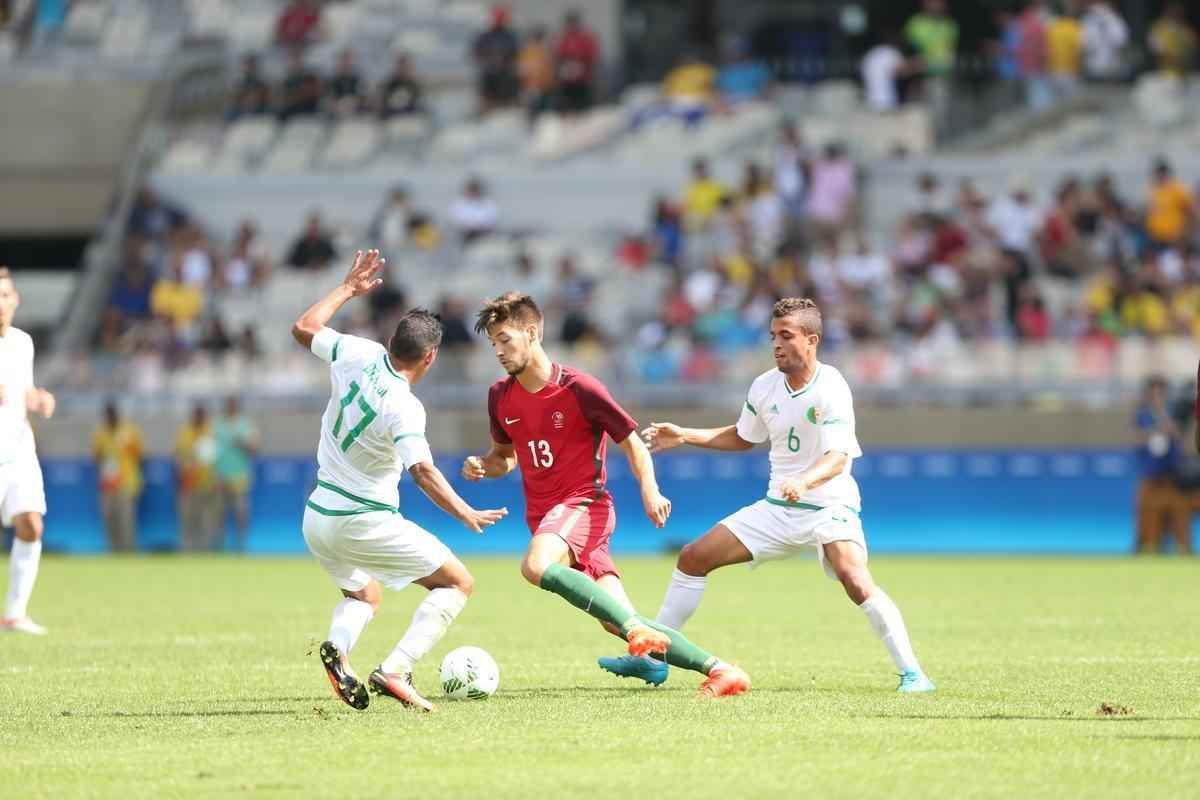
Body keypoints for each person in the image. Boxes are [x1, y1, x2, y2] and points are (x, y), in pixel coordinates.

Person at [598, 298, 934, 692]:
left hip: (829, 506)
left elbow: (838, 457)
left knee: (854, 577)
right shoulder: (764, 386)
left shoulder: (831, 386)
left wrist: (806, 482)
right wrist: (686, 434)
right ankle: (655, 661)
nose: (776, 344)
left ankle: (913, 673)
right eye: (773, 335)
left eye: (786, 336)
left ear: (812, 340)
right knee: (692, 558)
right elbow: (744, 436)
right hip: (778, 508)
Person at [461, 292, 750, 697]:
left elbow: (631, 442)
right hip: (549, 518)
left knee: (535, 566)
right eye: (492, 342)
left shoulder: (580, 388)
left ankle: (637, 633)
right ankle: (719, 670)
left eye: (505, 339)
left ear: (532, 332)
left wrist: (650, 490)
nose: (498, 350)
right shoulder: (500, 396)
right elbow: (505, 458)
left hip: (584, 504)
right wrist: (482, 465)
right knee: (619, 619)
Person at [292, 250, 506, 712]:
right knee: (457, 584)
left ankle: (339, 648)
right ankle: (395, 670)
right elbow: (423, 471)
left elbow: (304, 327)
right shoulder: (405, 406)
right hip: (363, 518)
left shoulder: (357, 351)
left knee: (364, 593)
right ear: (430, 357)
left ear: (391, 341)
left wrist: (348, 288)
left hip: (318, 516)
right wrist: (465, 511)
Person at [0, 268, 56, 634]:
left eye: (4, 295)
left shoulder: (22, 342)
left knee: (31, 524)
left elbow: (24, 389)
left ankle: (14, 614)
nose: (0, 303)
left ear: (16, 299)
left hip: (17, 448)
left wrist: (39, 399)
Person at [1134, 377, 1190, 554]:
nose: (1158, 396)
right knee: (1147, 514)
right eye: (1154, 393)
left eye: (1161, 393)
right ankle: (1146, 546)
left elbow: (1180, 437)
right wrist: (1156, 430)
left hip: (1172, 476)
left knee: (1178, 513)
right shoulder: (1142, 414)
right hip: (1151, 476)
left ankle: (1182, 547)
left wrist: (1168, 424)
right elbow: (1138, 438)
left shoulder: (1174, 413)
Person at [92, 402, 144, 554]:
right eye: (108, 415)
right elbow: (96, 456)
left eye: (112, 414)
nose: (110, 418)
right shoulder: (101, 433)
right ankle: (113, 552)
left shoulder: (129, 431)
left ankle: (128, 552)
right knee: (110, 520)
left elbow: (140, 455)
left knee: (126, 521)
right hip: (108, 485)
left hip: (126, 483)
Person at [213, 397, 259, 552]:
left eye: (232, 404)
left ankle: (241, 545)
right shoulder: (217, 424)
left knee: (241, 513)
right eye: (228, 404)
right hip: (220, 475)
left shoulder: (245, 424)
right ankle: (219, 546)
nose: (230, 407)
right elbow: (210, 449)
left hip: (239, 476)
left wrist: (241, 443)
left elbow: (254, 449)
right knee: (219, 513)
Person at [176, 403, 218, 552]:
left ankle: (204, 551)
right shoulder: (185, 432)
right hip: (188, 483)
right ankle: (187, 550)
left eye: (201, 415)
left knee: (205, 519)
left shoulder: (210, 432)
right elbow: (179, 456)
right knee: (187, 519)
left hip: (206, 484)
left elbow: (214, 459)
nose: (199, 418)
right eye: (196, 415)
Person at [1146, 158, 1196, 251]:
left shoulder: (1177, 189)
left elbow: (1190, 210)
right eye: (1157, 174)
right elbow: (1152, 212)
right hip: (1156, 236)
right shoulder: (1153, 190)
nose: (1159, 176)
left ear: (1166, 173)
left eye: (1161, 173)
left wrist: (1186, 232)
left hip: (1174, 236)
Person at [554, 10, 598, 114]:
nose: (572, 26)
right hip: (567, 79)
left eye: (573, 23)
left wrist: (583, 63)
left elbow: (591, 55)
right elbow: (558, 55)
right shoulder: (563, 38)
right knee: (568, 102)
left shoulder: (585, 38)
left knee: (582, 104)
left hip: (582, 78)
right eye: (570, 23)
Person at [1149, 3, 1197, 78]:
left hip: (1187, 72)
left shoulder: (1186, 29)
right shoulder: (1159, 28)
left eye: (1179, 11)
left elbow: (1193, 47)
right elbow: (1158, 50)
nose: (1176, 13)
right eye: (1173, 10)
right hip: (1165, 73)